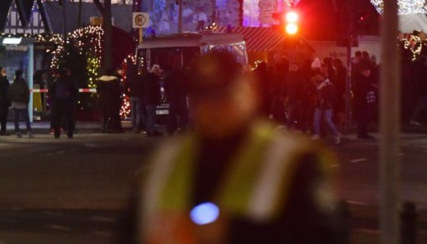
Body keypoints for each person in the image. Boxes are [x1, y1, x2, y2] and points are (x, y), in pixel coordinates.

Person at [130, 50, 341, 244]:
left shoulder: (293, 159)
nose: (214, 107)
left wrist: (233, 231)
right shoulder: (167, 158)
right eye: (204, 97)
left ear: (250, 91)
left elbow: (325, 234)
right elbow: (132, 228)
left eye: (224, 96)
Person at [311, 72, 341, 145]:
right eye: (317, 77)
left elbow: (332, 94)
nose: (318, 78)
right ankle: (317, 134)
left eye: (319, 76)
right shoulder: (317, 85)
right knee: (316, 120)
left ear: (323, 77)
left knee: (328, 120)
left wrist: (325, 99)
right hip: (319, 104)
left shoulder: (328, 84)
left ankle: (336, 134)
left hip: (327, 105)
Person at [49, 68, 78, 139]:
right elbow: (75, 91)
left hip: (58, 103)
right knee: (70, 118)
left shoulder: (56, 82)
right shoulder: (71, 81)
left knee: (57, 118)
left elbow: (51, 91)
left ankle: (57, 133)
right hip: (68, 102)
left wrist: (54, 100)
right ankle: (70, 133)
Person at [96, 67, 123, 133]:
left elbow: (98, 89)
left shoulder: (100, 80)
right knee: (112, 114)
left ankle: (103, 127)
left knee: (104, 114)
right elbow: (117, 90)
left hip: (102, 98)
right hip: (111, 98)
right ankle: (111, 128)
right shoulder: (114, 80)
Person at [164, 65, 189, 135]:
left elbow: (165, 85)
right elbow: (187, 84)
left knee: (172, 114)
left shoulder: (169, 76)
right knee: (183, 113)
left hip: (172, 97)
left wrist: (168, 94)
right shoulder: (183, 75)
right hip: (181, 96)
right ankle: (182, 128)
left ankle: (171, 130)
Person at [354, 65, 377, 139]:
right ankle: (362, 133)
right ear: (365, 72)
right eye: (368, 71)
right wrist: (372, 86)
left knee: (361, 118)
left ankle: (361, 133)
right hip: (363, 102)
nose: (369, 73)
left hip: (359, 102)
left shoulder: (359, 79)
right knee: (363, 118)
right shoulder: (364, 80)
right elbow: (365, 90)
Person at [8, 69, 33, 138]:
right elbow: (27, 93)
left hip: (15, 102)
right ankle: (29, 131)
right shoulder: (23, 83)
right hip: (23, 103)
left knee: (16, 118)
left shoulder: (13, 84)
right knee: (26, 118)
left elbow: (9, 93)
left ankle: (17, 131)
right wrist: (27, 101)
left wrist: (10, 100)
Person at [143, 64, 162, 137]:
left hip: (147, 99)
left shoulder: (147, 77)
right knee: (152, 116)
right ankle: (152, 131)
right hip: (152, 100)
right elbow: (155, 90)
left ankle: (149, 130)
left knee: (149, 115)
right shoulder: (154, 78)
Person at [127, 65, 146, 133]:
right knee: (138, 113)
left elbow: (125, 87)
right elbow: (143, 87)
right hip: (139, 96)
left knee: (133, 113)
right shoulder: (140, 78)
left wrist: (128, 94)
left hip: (132, 96)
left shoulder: (129, 78)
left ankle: (133, 127)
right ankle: (137, 128)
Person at [0, 67, 11, 135]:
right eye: (3, 71)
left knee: (4, 116)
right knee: (0, 115)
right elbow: (1, 86)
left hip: (5, 100)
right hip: (0, 100)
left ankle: (3, 130)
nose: (5, 72)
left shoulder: (4, 79)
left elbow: (7, 88)